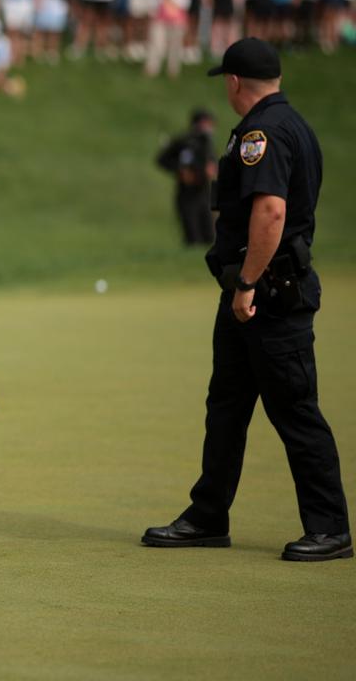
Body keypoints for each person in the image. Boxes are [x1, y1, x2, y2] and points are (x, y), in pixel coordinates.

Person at [142, 38, 351, 562]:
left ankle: (330, 529)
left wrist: (247, 284)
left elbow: (271, 214)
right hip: (256, 290)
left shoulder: (263, 133)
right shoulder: (293, 124)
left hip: (268, 295)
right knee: (227, 408)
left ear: (234, 82)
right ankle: (208, 515)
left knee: (296, 411)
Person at [156, 107, 217, 246]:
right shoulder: (184, 141)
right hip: (187, 193)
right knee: (192, 235)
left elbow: (212, 162)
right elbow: (162, 159)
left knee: (209, 235)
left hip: (204, 192)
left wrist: (212, 168)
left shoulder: (208, 142)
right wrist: (180, 171)